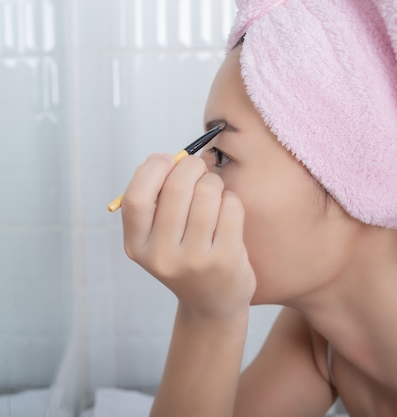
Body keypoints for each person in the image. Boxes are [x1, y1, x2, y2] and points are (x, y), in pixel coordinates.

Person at [120, 0, 397, 416]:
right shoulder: (319, 340)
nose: (192, 179)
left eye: (222, 155)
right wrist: (207, 317)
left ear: (355, 173)